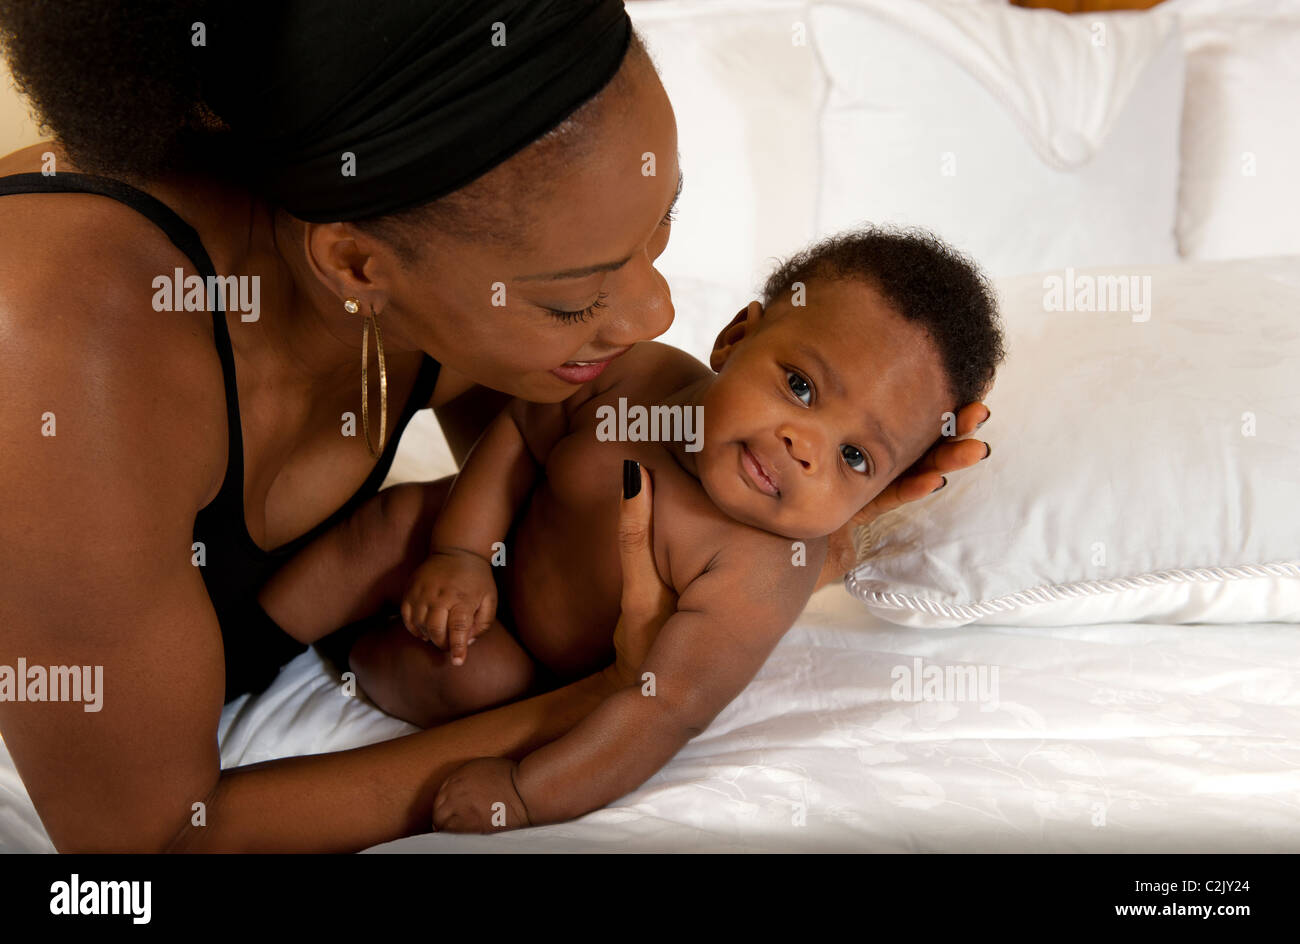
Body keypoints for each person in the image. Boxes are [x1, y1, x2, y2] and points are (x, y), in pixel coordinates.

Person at [0, 0, 990, 852]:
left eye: (659, 234)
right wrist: (620, 696)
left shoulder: (410, 210)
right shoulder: (61, 348)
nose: (651, 313)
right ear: (354, 266)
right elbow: (155, 834)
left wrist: (788, 540)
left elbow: (554, 503)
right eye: (574, 299)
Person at [261, 225, 1006, 832]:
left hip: (527, 658)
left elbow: (662, 709)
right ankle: (251, 637)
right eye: (801, 386)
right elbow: (521, 434)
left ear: (880, 488)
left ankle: (353, 651)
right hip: (487, 547)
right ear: (736, 337)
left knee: (476, 678)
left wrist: (529, 793)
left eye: (854, 455)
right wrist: (461, 551)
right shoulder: (642, 379)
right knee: (401, 516)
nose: (803, 445)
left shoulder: (760, 570)